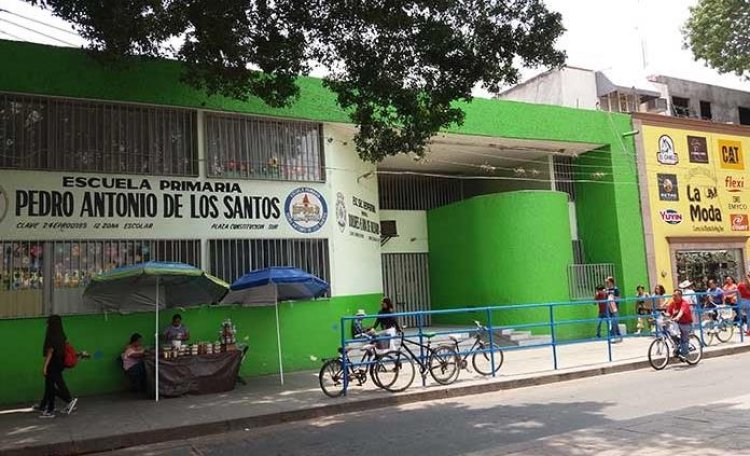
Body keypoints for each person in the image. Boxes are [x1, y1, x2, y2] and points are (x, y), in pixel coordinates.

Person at [38, 315, 78, 418]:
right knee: (52, 384)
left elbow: (50, 352)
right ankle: (44, 406)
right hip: (60, 362)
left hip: (53, 363)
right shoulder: (62, 335)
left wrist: (45, 366)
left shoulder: (51, 335)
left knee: (50, 387)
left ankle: (53, 408)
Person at [666, 289, 693, 361]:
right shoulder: (672, 303)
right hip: (677, 323)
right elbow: (668, 313)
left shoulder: (684, 303)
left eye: (675, 296)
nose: (674, 297)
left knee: (684, 339)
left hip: (686, 323)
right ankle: (677, 346)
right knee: (671, 332)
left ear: (680, 296)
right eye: (673, 296)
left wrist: (677, 317)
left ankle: (685, 354)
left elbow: (681, 312)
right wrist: (664, 316)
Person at [605, 276, 622, 342]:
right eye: (606, 282)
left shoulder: (615, 289)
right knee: (612, 322)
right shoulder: (607, 289)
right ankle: (618, 335)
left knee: (614, 322)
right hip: (608, 307)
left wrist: (613, 297)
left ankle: (614, 336)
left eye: (608, 282)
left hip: (614, 307)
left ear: (611, 282)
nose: (607, 284)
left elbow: (619, 298)